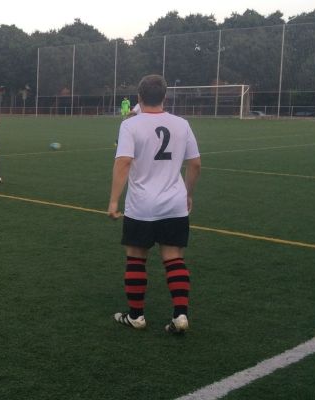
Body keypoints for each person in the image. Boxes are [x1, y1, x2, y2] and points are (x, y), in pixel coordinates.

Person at [108, 75, 201, 334]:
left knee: (136, 257)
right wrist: (188, 194)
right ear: (165, 97)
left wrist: (114, 200)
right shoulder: (182, 124)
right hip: (174, 204)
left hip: (142, 205)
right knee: (173, 257)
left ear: (138, 97)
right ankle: (180, 314)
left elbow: (123, 162)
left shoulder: (130, 125)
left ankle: (136, 316)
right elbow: (195, 164)